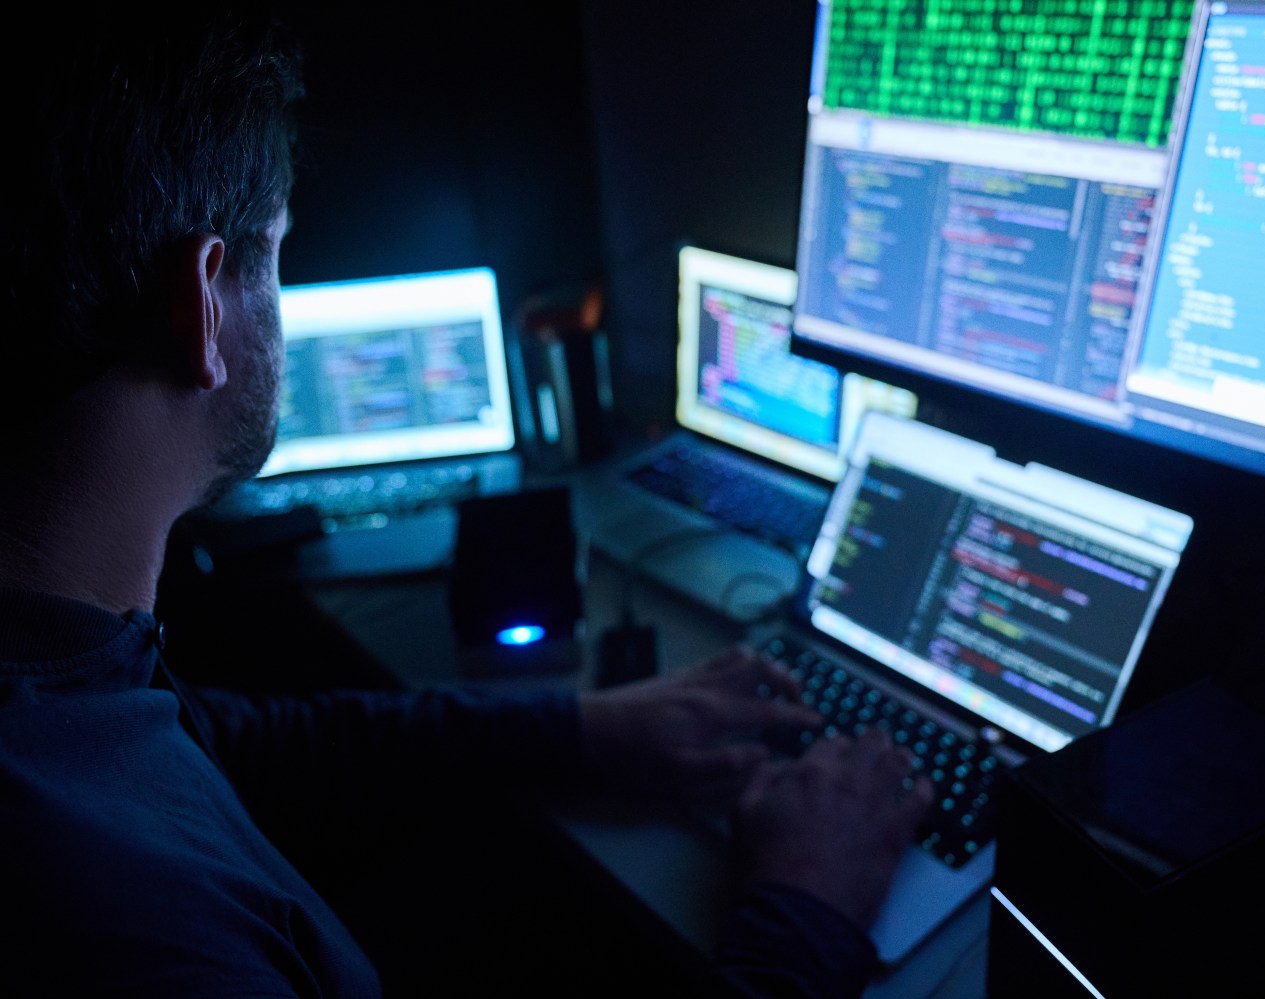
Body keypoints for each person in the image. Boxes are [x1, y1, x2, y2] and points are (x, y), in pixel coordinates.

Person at [0, 7, 933, 997]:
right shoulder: (132, 931)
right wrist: (805, 909)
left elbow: (234, 745)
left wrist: (581, 730)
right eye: (277, 253)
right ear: (205, 308)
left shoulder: (72, 679)